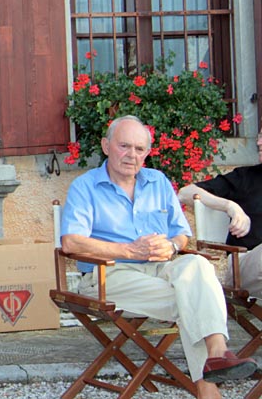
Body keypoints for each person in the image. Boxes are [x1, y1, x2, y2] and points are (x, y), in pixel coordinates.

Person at [61, 115, 257, 399]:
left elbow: (181, 234)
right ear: (106, 146)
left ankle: (216, 353)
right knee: (195, 299)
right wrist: (130, 250)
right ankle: (209, 383)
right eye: (124, 146)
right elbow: (71, 242)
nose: (131, 155)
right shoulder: (85, 186)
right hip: (108, 276)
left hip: (161, 269)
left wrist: (173, 247)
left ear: (147, 153)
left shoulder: (158, 182)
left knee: (197, 264)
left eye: (139, 149)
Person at [178, 129, 262, 296]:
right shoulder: (244, 177)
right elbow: (185, 193)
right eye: (259, 136)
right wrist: (231, 206)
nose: (259, 142)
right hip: (244, 266)